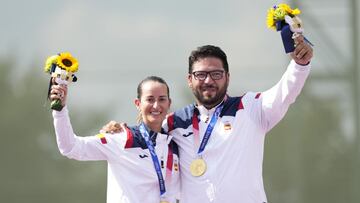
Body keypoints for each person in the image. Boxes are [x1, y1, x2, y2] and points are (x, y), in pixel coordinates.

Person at [103, 34, 313, 202]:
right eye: (201, 75)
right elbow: (147, 136)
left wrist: (299, 66)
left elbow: (286, 91)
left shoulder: (251, 107)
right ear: (190, 80)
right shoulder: (175, 122)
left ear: (228, 77)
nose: (208, 81)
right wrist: (119, 131)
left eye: (216, 74)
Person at [50, 76, 180, 203]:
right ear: (138, 104)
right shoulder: (121, 139)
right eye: (150, 99)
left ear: (169, 103)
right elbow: (70, 147)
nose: (156, 105)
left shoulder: (176, 143)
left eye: (162, 99)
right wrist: (60, 111)